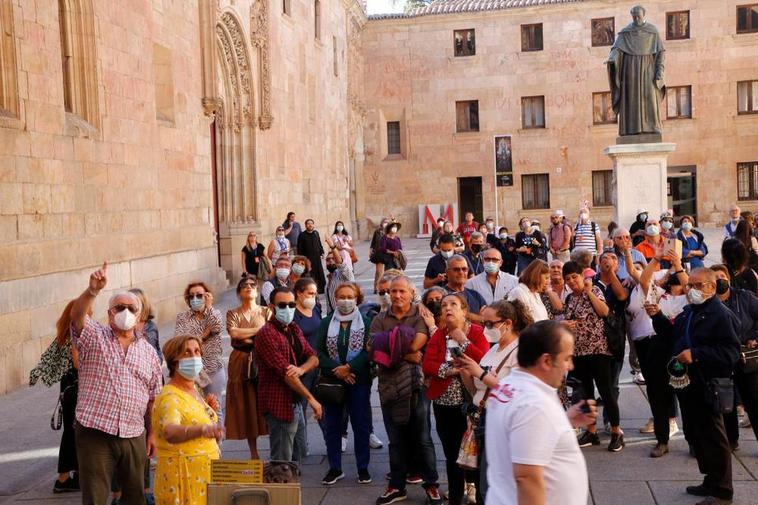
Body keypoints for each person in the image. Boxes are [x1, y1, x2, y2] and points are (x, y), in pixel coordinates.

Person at [69, 262, 162, 505]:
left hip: (133, 434)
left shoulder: (149, 353)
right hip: (95, 432)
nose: (126, 312)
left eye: (132, 308)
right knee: (96, 497)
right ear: (110, 313)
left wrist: (151, 433)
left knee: (135, 497)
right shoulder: (95, 336)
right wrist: (92, 291)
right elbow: (77, 316)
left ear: (140, 315)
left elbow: (153, 397)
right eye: (120, 307)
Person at [650, 268, 741, 505]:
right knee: (697, 434)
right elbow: (674, 337)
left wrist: (697, 354)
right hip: (689, 384)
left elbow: (731, 352)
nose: (691, 290)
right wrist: (657, 316)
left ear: (711, 288)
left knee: (714, 436)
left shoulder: (720, 315)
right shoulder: (690, 311)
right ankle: (710, 480)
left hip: (708, 383)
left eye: (697, 285)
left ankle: (723, 491)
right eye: (690, 285)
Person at [484, 320, 597, 505]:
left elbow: (524, 434)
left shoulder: (508, 386)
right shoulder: (534, 405)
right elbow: (527, 478)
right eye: (566, 358)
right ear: (546, 361)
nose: (570, 366)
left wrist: (564, 421)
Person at [372, 276, 442, 505]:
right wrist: (404, 350)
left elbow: (416, 345)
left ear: (412, 293)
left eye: (402, 291)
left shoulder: (419, 316)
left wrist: (390, 344)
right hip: (389, 386)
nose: (397, 296)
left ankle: (431, 485)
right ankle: (397, 486)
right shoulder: (380, 318)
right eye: (393, 291)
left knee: (422, 437)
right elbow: (373, 347)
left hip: (416, 385)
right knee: (395, 440)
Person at [422, 294, 489, 505]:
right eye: (444, 305)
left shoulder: (477, 332)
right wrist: (450, 371)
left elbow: (484, 359)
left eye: (453, 304)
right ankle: (455, 495)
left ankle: (477, 494)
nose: (448, 308)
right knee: (452, 454)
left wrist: (463, 340)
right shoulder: (439, 335)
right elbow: (428, 365)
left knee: (474, 452)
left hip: (470, 402)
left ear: (463, 310)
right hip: (444, 402)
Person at [561, 261, 624, 452]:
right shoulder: (570, 298)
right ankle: (592, 430)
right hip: (579, 352)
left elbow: (604, 312)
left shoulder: (595, 290)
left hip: (598, 349)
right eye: (568, 279)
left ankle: (616, 431)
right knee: (586, 394)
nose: (572, 282)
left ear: (582, 276)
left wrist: (588, 292)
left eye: (574, 277)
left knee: (606, 391)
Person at [152, 335, 223, 505]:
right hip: (182, 483)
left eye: (197, 351)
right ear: (174, 361)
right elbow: (170, 431)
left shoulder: (192, 389)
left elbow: (190, 417)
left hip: (201, 481)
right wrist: (202, 429)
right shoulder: (170, 396)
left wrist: (209, 411)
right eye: (187, 352)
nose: (194, 356)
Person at [255, 287, 323, 463]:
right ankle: (280, 487)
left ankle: (290, 485)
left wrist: (301, 369)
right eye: (282, 305)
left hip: (295, 402)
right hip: (279, 403)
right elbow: (287, 374)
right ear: (272, 307)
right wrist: (311, 399)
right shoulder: (267, 334)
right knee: (282, 459)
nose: (287, 309)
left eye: (291, 304)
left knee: (299, 451)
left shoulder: (293, 327)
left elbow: (314, 357)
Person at [627, 257, 686, 456]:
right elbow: (644, 280)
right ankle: (662, 440)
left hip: (682, 354)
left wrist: (678, 265)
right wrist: (657, 258)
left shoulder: (690, 300)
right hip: (659, 352)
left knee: (688, 397)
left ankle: (695, 440)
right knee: (657, 395)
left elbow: (688, 284)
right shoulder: (660, 296)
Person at [316, 282, 373, 486]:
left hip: (358, 381)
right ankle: (335, 467)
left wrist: (349, 368)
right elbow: (319, 353)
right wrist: (339, 371)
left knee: (361, 424)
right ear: (335, 299)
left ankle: (363, 468)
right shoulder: (326, 323)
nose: (346, 300)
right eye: (342, 296)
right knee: (332, 426)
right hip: (332, 382)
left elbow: (369, 352)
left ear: (357, 299)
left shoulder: (366, 322)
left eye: (350, 296)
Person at [29, 301, 86, 494]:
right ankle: (62, 478)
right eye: (87, 314)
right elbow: (78, 364)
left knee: (74, 432)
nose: (89, 319)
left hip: (69, 389)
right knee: (72, 433)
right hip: (76, 389)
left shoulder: (65, 333)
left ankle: (76, 475)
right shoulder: (74, 336)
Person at [710, 265, 758, 449]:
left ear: (729, 278)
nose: (720, 280)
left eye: (722, 276)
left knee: (754, 402)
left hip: (746, 359)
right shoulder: (710, 303)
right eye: (716, 277)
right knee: (725, 403)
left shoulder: (744, 297)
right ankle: (731, 440)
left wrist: (755, 336)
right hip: (723, 360)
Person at [225, 276, 269, 459]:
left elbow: (270, 333)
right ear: (239, 292)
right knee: (246, 404)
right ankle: (254, 453)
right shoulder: (233, 313)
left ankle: (275, 448)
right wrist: (259, 331)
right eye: (244, 286)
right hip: (240, 361)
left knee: (266, 402)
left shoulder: (266, 311)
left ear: (257, 291)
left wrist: (249, 335)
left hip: (262, 359)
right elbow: (234, 333)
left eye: (252, 285)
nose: (249, 287)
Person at [174, 281, 225, 423]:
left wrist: (209, 308)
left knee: (215, 407)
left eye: (199, 295)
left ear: (207, 296)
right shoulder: (182, 318)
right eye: (191, 296)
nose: (195, 299)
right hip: (190, 370)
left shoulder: (215, 313)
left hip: (212, 367)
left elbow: (216, 327)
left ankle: (217, 442)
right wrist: (204, 334)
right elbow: (181, 341)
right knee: (193, 407)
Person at [443, 255, 487, 320]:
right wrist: (477, 318)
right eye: (456, 269)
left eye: (464, 269)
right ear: (447, 272)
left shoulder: (475, 295)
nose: (461, 272)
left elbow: (487, 319)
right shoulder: (441, 295)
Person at [325, 234, 356, 314]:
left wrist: (332, 247)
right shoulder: (328, 282)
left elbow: (340, 264)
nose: (331, 261)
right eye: (328, 260)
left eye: (333, 258)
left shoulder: (345, 274)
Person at [297, 218, 327, 293]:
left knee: (319, 273)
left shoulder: (316, 233)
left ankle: (321, 289)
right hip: (308, 259)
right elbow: (299, 248)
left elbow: (319, 243)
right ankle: (312, 289)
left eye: (311, 223)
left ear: (313, 225)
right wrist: (302, 259)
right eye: (308, 224)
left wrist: (322, 251)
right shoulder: (302, 235)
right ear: (306, 225)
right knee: (310, 274)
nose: (310, 225)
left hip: (317, 258)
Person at [371, 218, 389, 292]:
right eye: (385, 222)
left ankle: (377, 286)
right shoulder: (377, 231)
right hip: (378, 253)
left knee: (381, 272)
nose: (386, 223)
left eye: (387, 222)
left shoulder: (389, 232)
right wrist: (371, 250)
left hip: (387, 253)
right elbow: (373, 241)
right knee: (379, 271)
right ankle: (377, 287)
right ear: (382, 223)